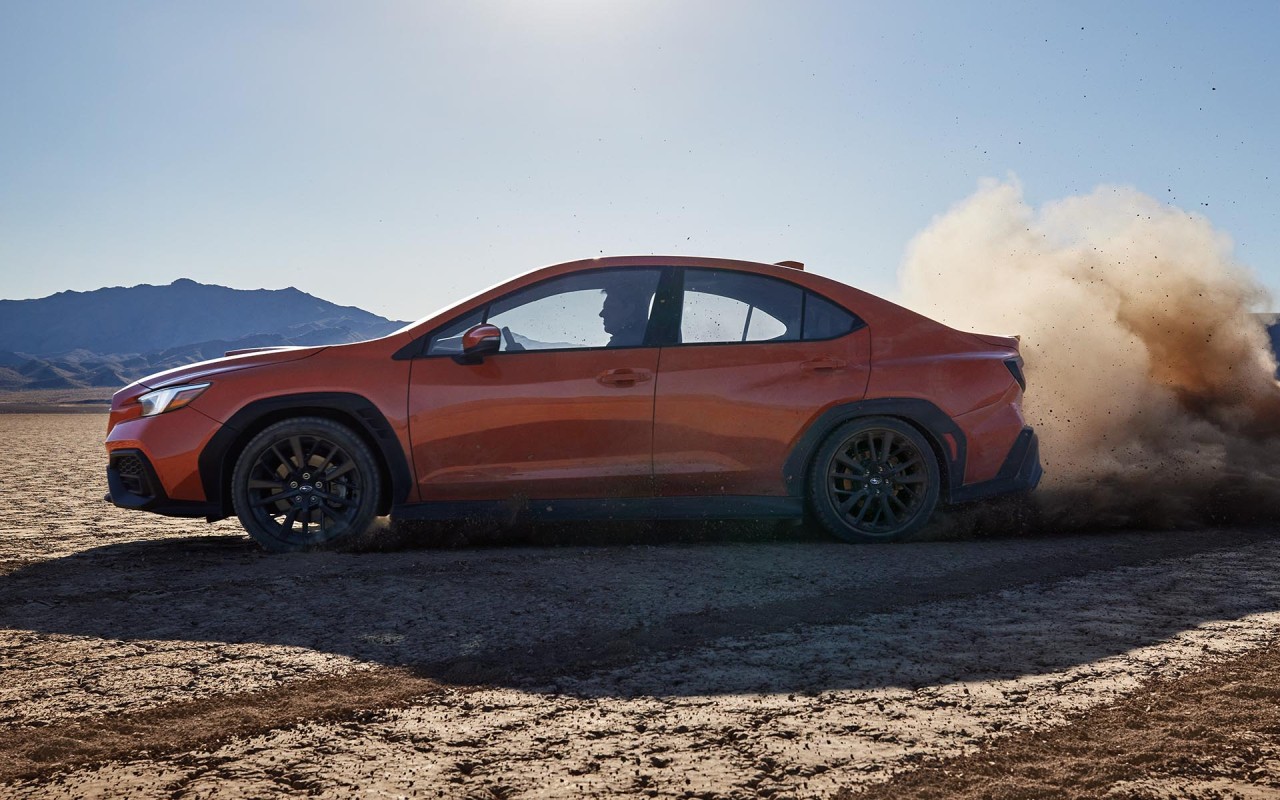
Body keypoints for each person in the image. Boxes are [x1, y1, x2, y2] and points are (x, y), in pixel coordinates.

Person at [600, 278, 654, 347]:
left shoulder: (624, 344)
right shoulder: (642, 339)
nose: (601, 314)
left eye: (609, 308)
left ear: (629, 309)